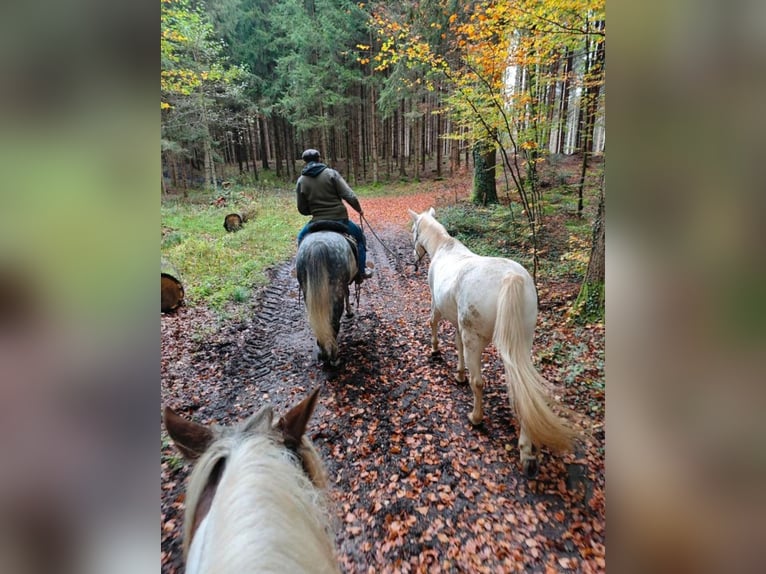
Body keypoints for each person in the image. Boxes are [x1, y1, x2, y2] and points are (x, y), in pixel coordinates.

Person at [296, 148, 372, 282]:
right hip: (339, 219)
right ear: (319, 158)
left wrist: (314, 209)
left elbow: (302, 209)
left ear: (305, 162)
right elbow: (349, 195)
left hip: (317, 221)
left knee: (301, 238)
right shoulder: (331, 174)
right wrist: (358, 209)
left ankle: (300, 271)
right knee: (359, 238)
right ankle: (361, 271)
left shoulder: (301, 180)